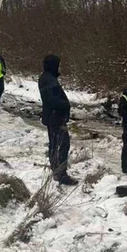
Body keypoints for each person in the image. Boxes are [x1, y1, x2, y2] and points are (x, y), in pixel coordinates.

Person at [39, 54, 78, 185]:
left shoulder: (48, 78)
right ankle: (60, 173)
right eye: (58, 65)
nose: (60, 67)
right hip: (55, 117)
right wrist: (66, 104)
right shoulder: (48, 80)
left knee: (56, 144)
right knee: (61, 144)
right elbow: (52, 100)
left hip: (54, 117)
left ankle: (57, 170)